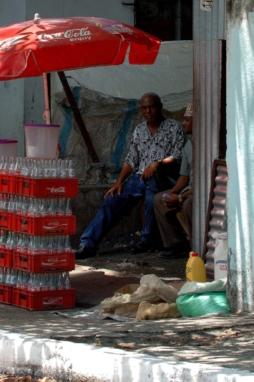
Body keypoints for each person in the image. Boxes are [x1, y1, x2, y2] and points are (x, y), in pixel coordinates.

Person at [75, 93, 185, 259]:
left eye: (152, 107)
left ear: (160, 107)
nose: (148, 111)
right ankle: (88, 244)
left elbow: (179, 155)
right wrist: (119, 181)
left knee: (152, 201)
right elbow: (131, 160)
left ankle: (148, 241)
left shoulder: (174, 127)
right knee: (112, 199)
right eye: (144, 108)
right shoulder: (139, 130)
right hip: (139, 179)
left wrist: (158, 163)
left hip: (161, 178)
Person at [153, 103, 193, 259]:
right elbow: (184, 176)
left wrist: (181, 197)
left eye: (187, 120)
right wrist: (172, 193)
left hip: (203, 191)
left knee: (189, 204)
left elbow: (206, 184)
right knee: (159, 199)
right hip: (189, 189)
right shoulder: (188, 144)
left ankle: (198, 247)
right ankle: (176, 245)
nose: (183, 123)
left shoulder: (208, 145)